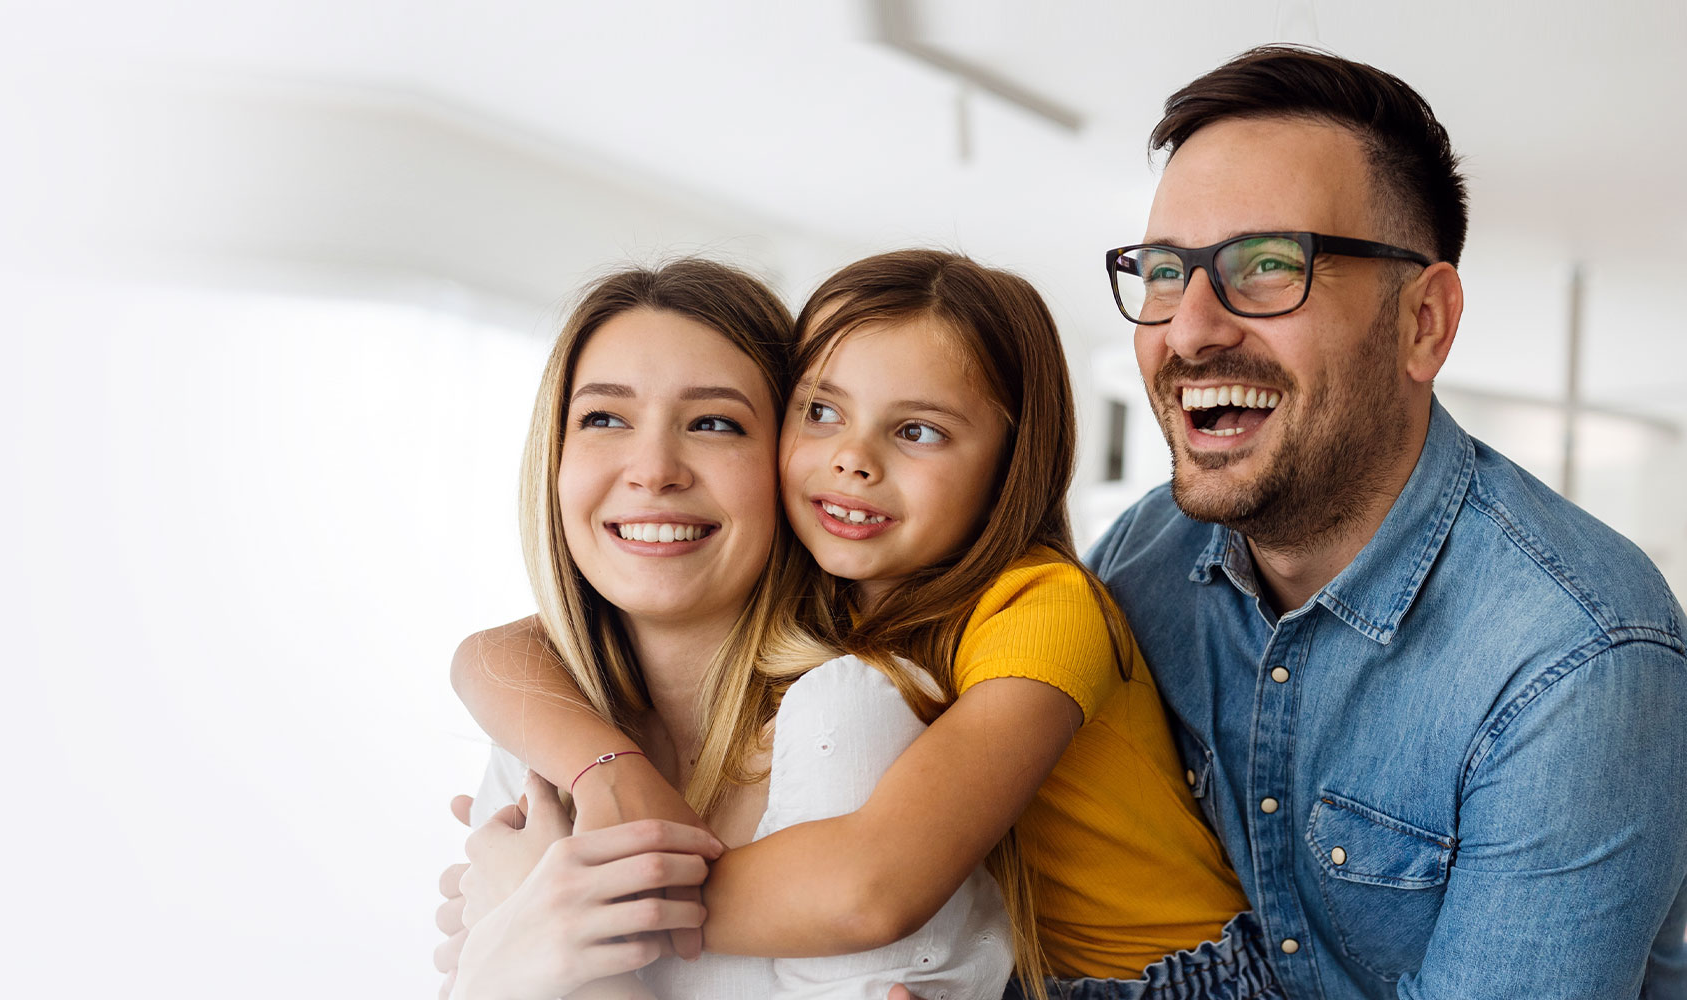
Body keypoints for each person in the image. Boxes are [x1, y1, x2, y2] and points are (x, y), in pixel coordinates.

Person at [445, 250, 1281, 1000]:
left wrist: (571, 904)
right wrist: (597, 785)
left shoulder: (1039, 608)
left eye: (917, 431)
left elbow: (870, 888)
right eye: (821, 412)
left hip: (1184, 981)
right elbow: (500, 652)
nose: (853, 458)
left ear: (1010, 466)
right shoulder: (850, 602)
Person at [1090, 45, 1687, 999]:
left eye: (1269, 265)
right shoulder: (1142, 555)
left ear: (1423, 323)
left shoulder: (1580, 658)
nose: (1190, 329)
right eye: (1165, 271)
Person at [445, 256, 1016, 1000]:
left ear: (790, 461)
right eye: (604, 418)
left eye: (714, 423)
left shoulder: (851, 716)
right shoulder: (544, 732)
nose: (654, 470)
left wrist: (539, 938)